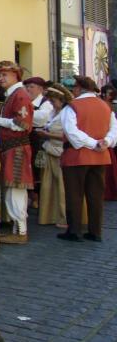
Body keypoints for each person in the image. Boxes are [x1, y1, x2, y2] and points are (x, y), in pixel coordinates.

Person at [57, 75, 117, 243]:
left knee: (74, 194)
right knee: (96, 196)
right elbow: (114, 130)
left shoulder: (72, 106)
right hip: (100, 157)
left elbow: (71, 132)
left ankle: (74, 231)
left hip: (76, 156)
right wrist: (105, 142)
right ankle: (95, 231)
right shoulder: (106, 106)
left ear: (78, 88)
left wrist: (93, 143)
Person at [0, 61, 34, 244]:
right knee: (12, 190)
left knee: (16, 190)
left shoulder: (20, 95)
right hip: (11, 148)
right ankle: (17, 229)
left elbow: (22, 124)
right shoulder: (13, 95)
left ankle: (21, 232)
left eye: (4, 74)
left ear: (16, 75)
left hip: (17, 149)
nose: (1, 78)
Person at [35, 83, 72, 228]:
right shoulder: (53, 112)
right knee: (50, 186)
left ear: (61, 100)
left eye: (53, 101)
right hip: (50, 150)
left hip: (60, 152)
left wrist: (47, 134)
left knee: (61, 186)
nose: (51, 104)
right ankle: (51, 215)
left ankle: (63, 217)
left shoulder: (67, 113)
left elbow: (68, 135)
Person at [24, 77, 53, 209]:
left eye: (32, 87)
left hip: (38, 140)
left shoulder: (45, 103)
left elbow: (42, 118)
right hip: (27, 138)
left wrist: (25, 114)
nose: (28, 89)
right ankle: (31, 195)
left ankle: (38, 197)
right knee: (27, 166)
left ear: (40, 89)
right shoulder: (26, 102)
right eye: (27, 87)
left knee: (37, 167)